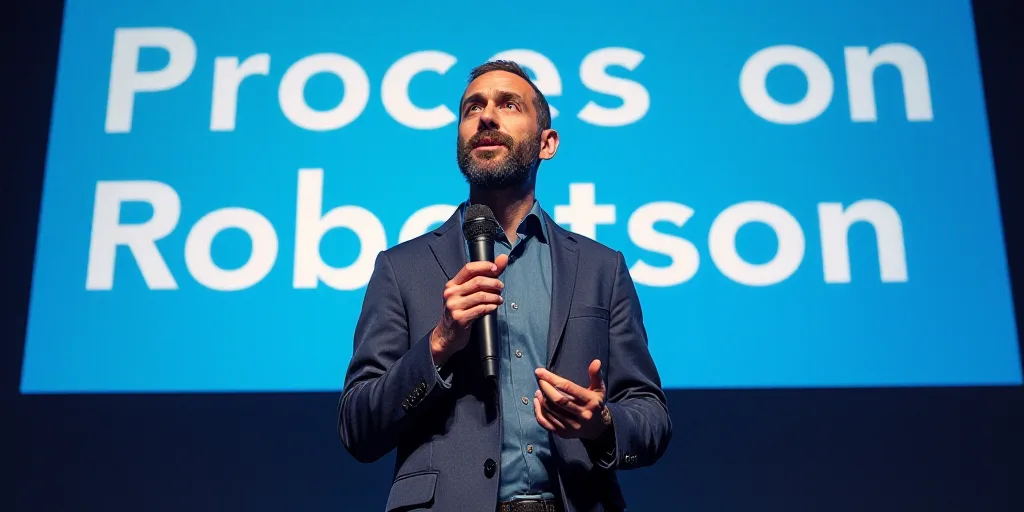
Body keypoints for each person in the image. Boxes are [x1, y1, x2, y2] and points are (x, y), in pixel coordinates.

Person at [338, 60, 671, 512]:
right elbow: (358, 427)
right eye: (472, 107)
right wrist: (438, 344)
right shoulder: (401, 268)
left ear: (547, 143)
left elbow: (650, 416)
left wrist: (602, 423)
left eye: (508, 105)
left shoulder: (601, 268)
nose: (487, 116)